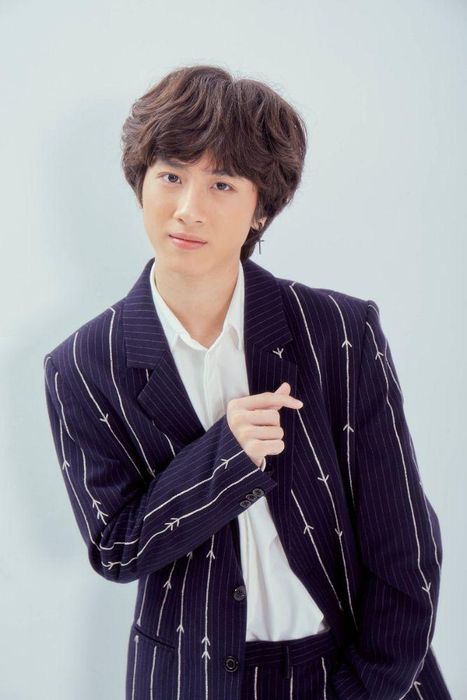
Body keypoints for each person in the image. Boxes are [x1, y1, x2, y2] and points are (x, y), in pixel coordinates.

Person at [43, 64, 452, 699]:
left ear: (260, 208)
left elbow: (405, 545)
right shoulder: (82, 363)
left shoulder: (338, 331)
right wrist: (225, 455)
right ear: (140, 182)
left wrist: (367, 688)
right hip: (189, 678)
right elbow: (115, 549)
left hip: (348, 673)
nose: (188, 209)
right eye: (171, 176)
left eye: (222, 184)